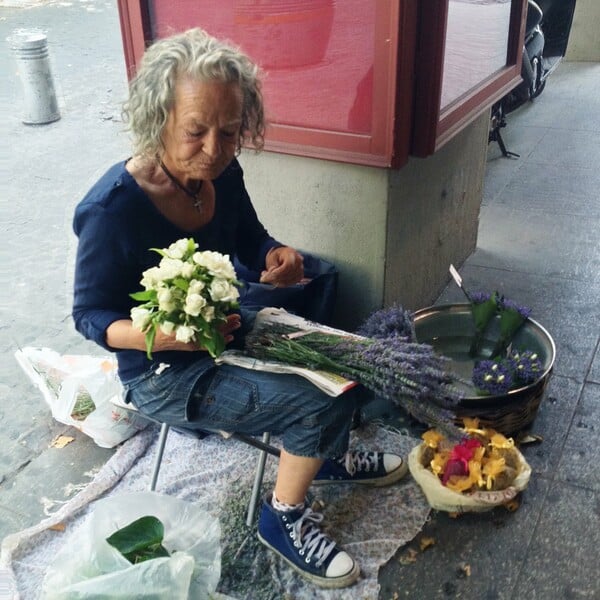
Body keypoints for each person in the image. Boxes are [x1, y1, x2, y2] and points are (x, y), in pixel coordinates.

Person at [72, 28, 407, 589]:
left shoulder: (221, 172)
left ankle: (328, 459)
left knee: (357, 361)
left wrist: (276, 256)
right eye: (195, 131)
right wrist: (160, 335)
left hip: (225, 326)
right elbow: (90, 316)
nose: (214, 149)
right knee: (315, 403)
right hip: (162, 372)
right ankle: (283, 519)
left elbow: (249, 239)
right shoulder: (111, 211)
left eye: (229, 132)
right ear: (158, 118)